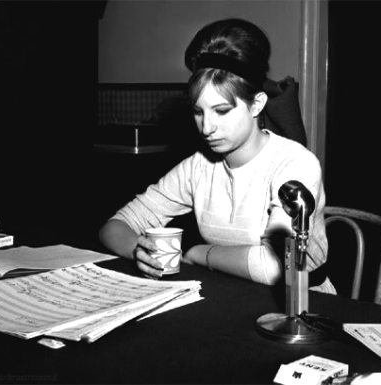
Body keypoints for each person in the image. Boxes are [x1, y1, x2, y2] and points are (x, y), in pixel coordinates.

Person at [99, 18, 335, 293]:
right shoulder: (197, 167)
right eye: (199, 112)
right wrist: (137, 249)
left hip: (302, 308)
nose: (207, 128)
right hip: (228, 299)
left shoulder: (296, 163)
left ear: (256, 104)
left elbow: (276, 265)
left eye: (221, 111)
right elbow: (114, 226)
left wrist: (201, 253)